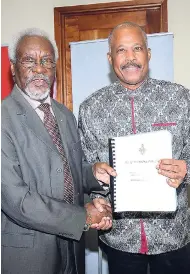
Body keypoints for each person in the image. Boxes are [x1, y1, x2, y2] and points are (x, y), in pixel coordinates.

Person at [1, 28, 116, 274]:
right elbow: (17, 200)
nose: (39, 69)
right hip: (30, 256)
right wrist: (82, 217)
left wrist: (92, 178)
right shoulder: (3, 119)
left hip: (72, 249)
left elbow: (67, 172)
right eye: (29, 61)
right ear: (13, 68)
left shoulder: (64, 114)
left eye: (47, 61)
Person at [78, 22, 190, 274]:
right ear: (110, 58)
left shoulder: (181, 99)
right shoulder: (91, 108)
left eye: (137, 48)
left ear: (148, 54)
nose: (130, 58)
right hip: (120, 238)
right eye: (121, 50)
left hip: (173, 235)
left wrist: (186, 169)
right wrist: (97, 201)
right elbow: (83, 170)